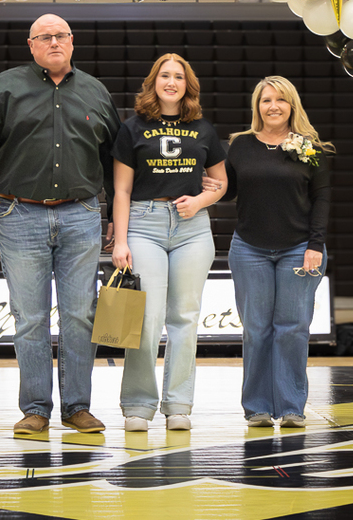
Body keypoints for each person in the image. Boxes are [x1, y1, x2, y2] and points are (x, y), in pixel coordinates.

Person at [0, 13, 121, 435]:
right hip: (18, 213)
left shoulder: (95, 92)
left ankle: (77, 407)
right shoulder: (7, 86)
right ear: (30, 45)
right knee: (29, 317)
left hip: (81, 214)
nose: (54, 42)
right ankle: (34, 408)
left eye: (61, 35)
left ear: (73, 41)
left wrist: (118, 221)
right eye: (44, 37)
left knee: (80, 315)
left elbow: (116, 163)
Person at [110, 53, 227, 432]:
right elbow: (122, 191)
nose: (171, 82)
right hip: (145, 225)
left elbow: (220, 184)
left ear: (187, 85)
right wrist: (120, 240)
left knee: (184, 320)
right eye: (165, 75)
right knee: (146, 319)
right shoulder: (132, 128)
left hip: (192, 229)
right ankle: (138, 406)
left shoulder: (204, 129)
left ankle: (179, 404)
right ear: (154, 82)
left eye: (179, 76)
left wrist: (199, 201)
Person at [224, 76, 333, 429]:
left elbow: (322, 199)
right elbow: (226, 191)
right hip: (249, 249)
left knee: (292, 329)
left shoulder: (310, 147)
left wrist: (315, 245)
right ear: (257, 106)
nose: (273, 106)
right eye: (266, 100)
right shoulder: (239, 146)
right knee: (255, 329)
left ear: (292, 106)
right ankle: (256, 407)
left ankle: (290, 407)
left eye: (281, 100)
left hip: (299, 249)